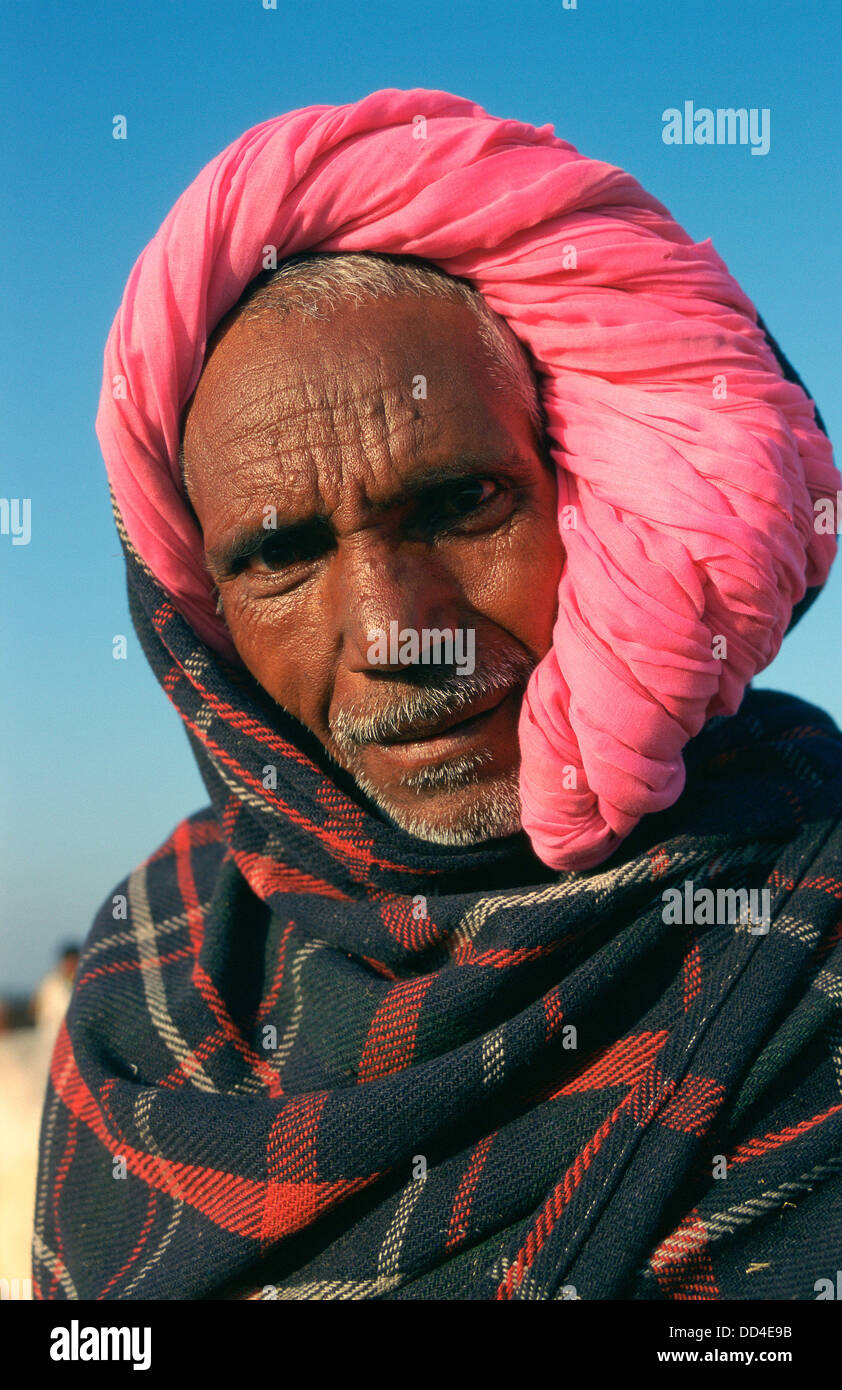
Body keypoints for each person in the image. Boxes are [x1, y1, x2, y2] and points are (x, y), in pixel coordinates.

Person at [34, 88, 842, 1302]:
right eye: (281, 554)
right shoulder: (153, 980)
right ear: (200, 623)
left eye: (463, 503)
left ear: (588, 489)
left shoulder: (802, 912)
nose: (397, 635)